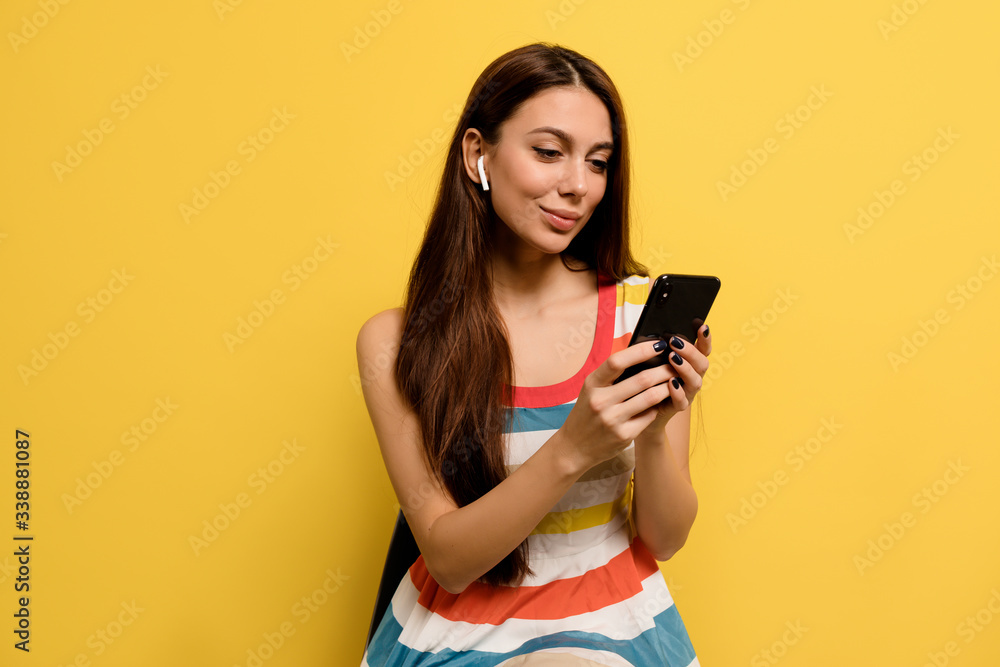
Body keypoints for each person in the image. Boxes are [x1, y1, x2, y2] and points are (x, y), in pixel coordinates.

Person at [357, 42, 711, 666]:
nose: (577, 186)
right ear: (478, 155)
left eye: (598, 163)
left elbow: (664, 538)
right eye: (548, 152)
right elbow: (450, 560)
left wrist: (654, 430)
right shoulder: (397, 341)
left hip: (616, 624)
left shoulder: (636, 318)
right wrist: (574, 446)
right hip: (461, 635)